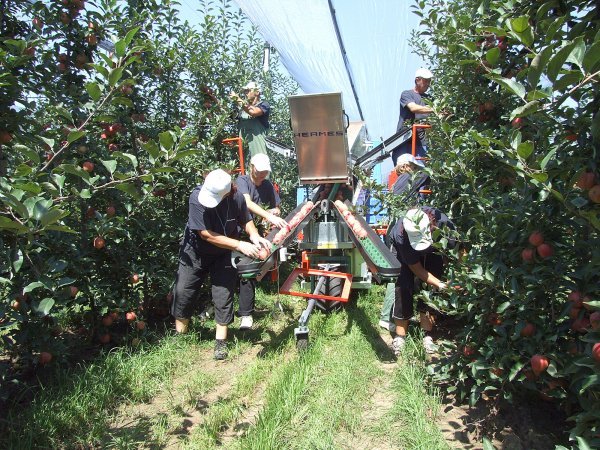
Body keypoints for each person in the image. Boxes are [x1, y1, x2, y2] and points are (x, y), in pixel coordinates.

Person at [170, 168, 271, 360]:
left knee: (223, 293)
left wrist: (255, 235)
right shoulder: (196, 198)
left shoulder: (237, 198)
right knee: (184, 290)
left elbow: (246, 220)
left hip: (223, 254)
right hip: (195, 252)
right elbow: (205, 234)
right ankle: (180, 337)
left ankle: (220, 342)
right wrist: (239, 244)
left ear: (227, 193)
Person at [387, 206, 457, 355]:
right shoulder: (402, 236)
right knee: (403, 285)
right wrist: (441, 284)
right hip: (403, 252)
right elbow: (416, 268)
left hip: (433, 249)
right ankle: (400, 336)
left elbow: (458, 251)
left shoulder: (444, 227)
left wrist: (453, 278)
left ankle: (427, 334)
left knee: (431, 287)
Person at [379, 154, 431, 332]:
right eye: (413, 166)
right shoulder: (410, 178)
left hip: (396, 230)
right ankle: (388, 318)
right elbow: (427, 173)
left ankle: (390, 317)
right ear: (408, 166)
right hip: (400, 232)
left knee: (398, 276)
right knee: (399, 277)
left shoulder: (399, 182)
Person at [235, 153, 288, 329]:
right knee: (244, 270)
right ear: (252, 167)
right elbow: (247, 203)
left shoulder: (267, 185)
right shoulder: (242, 181)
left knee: (249, 270)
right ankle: (244, 314)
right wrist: (268, 216)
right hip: (241, 233)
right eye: (260, 171)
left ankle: (246, 314)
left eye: (265, 171)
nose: (263, 175)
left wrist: (274, 212)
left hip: (258, 234)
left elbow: (277, 207)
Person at [392, 68, 434, 166]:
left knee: (422, 170)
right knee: (403, 168)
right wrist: (434, 109)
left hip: (421, 141)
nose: (428, 84)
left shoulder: (430, 99)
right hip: (404, 139)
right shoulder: (407, 94)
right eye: (426, 81)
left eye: (429, 81)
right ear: (417, 80)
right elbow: (413, 108)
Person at [230, 81, 271, 164]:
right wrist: (212, 97)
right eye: (245, 91)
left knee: (259, 170)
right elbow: (225, 113)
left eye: (248, 91)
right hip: (244, 153)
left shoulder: (264, 105)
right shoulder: (242, 110)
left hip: (258, 153)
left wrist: (237, 98)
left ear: (257, 92)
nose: (246, 93)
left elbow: (253, 112)